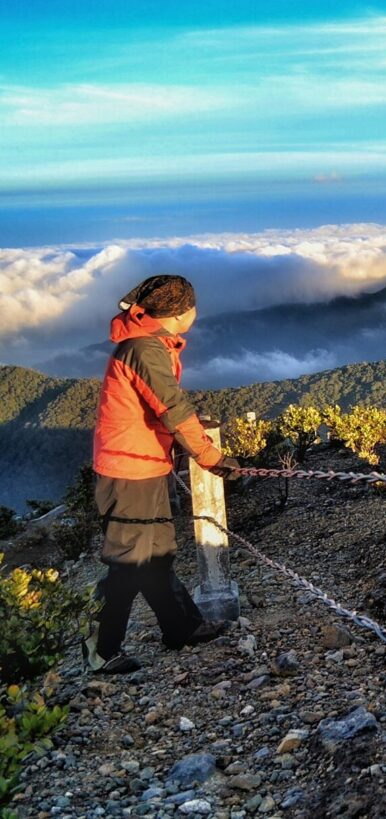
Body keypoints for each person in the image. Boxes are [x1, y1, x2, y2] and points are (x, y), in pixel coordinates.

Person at [82, 275, 241, 674]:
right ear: (179, 312)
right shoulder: (144, 350)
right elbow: (171, 406)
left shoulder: (147, 345)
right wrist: (209, 455)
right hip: (129, 469)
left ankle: (181, 627)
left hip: (143, 464)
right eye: (193, 305)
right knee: (128, 563)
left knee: (156, 554)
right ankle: (101, 650)